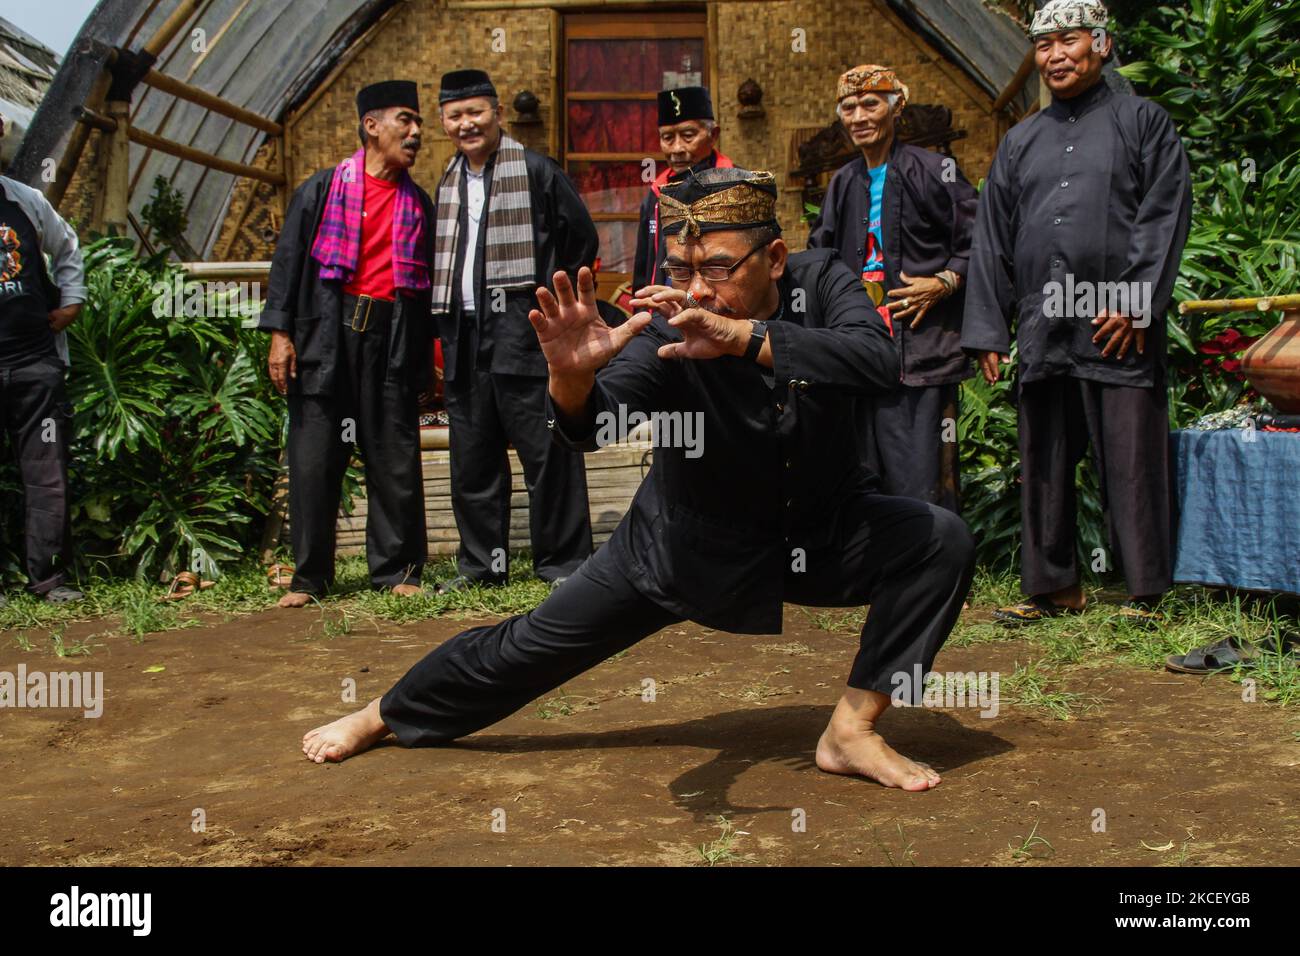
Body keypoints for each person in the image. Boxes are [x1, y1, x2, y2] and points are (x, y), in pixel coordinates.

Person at [303, 167, 976, 792]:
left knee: (939, 540)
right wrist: (572, 379)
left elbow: (877, 362)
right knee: (527, 647)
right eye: (682, 268)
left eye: (717, 267)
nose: (697, 288)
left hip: (821, 533)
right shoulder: (663, 327)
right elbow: (589, 429)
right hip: (681, 547)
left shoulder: (822, 280)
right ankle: (381, 713)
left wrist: (742, 336)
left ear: (774, 260)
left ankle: (850, 731)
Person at [960, 0, 1191, 623]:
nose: (1055, 55)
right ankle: (1055, 587)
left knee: (1131, 454)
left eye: (1068, 40)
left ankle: (1145, 592)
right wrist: (986, 326)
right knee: (1045, 457)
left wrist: (1138, 302)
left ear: (1102, 45)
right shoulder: (1020, 140)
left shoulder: (1144, 122)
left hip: (1116, 320)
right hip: (1044, 320)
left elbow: (1163, 214)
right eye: (1043, 45)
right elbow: (993, 237)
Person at [259, 80, 435, 607]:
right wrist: (280, 334)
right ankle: (310, 579)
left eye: (419, 123)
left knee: (394, 456)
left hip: (392, 338)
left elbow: (426, 295)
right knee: (314, 459)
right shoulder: (321, 190)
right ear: (371, 125)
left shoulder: (418, 203)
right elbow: (287, 264)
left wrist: (425, 359)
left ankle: (397, 571)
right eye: (406, 120)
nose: (416, 133)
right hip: (326, 336)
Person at [431, 69, 598, 593]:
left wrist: (553, 305)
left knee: (548, 452)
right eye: (455, 115)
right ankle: (483, 567)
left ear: (497, 113)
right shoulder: (448, 181)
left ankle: (563, 565)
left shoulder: (537, 171)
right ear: (445, 122)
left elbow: (581, 238)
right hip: (465, 336)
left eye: (476, 112)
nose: (467, 124)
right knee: (473, 459)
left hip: (524, 333)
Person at [809, 65, 977, 513]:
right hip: (860, 351)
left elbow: (979, 239)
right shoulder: (843, 183)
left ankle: (931, 572)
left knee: (920, 476)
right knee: (861, 471)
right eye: (849, 107)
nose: (859, 116)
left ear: (895, 107)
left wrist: (944, 282)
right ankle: (876, 577)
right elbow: (819, 255)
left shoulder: (936, 170)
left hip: (920, 349)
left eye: (870, 104)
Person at [0, 125, 87, 609]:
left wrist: (71, 302)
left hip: (35, 362)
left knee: (46, 475)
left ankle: (50, 581)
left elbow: (68, 247)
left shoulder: (25, 201)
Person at [631, 85, 734, 291]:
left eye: (688, 135)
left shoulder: (736, 186)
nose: (677, 149)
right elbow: (644, 266)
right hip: (665, 310)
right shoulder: (656, 194)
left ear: (713, 135)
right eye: (667, 138)